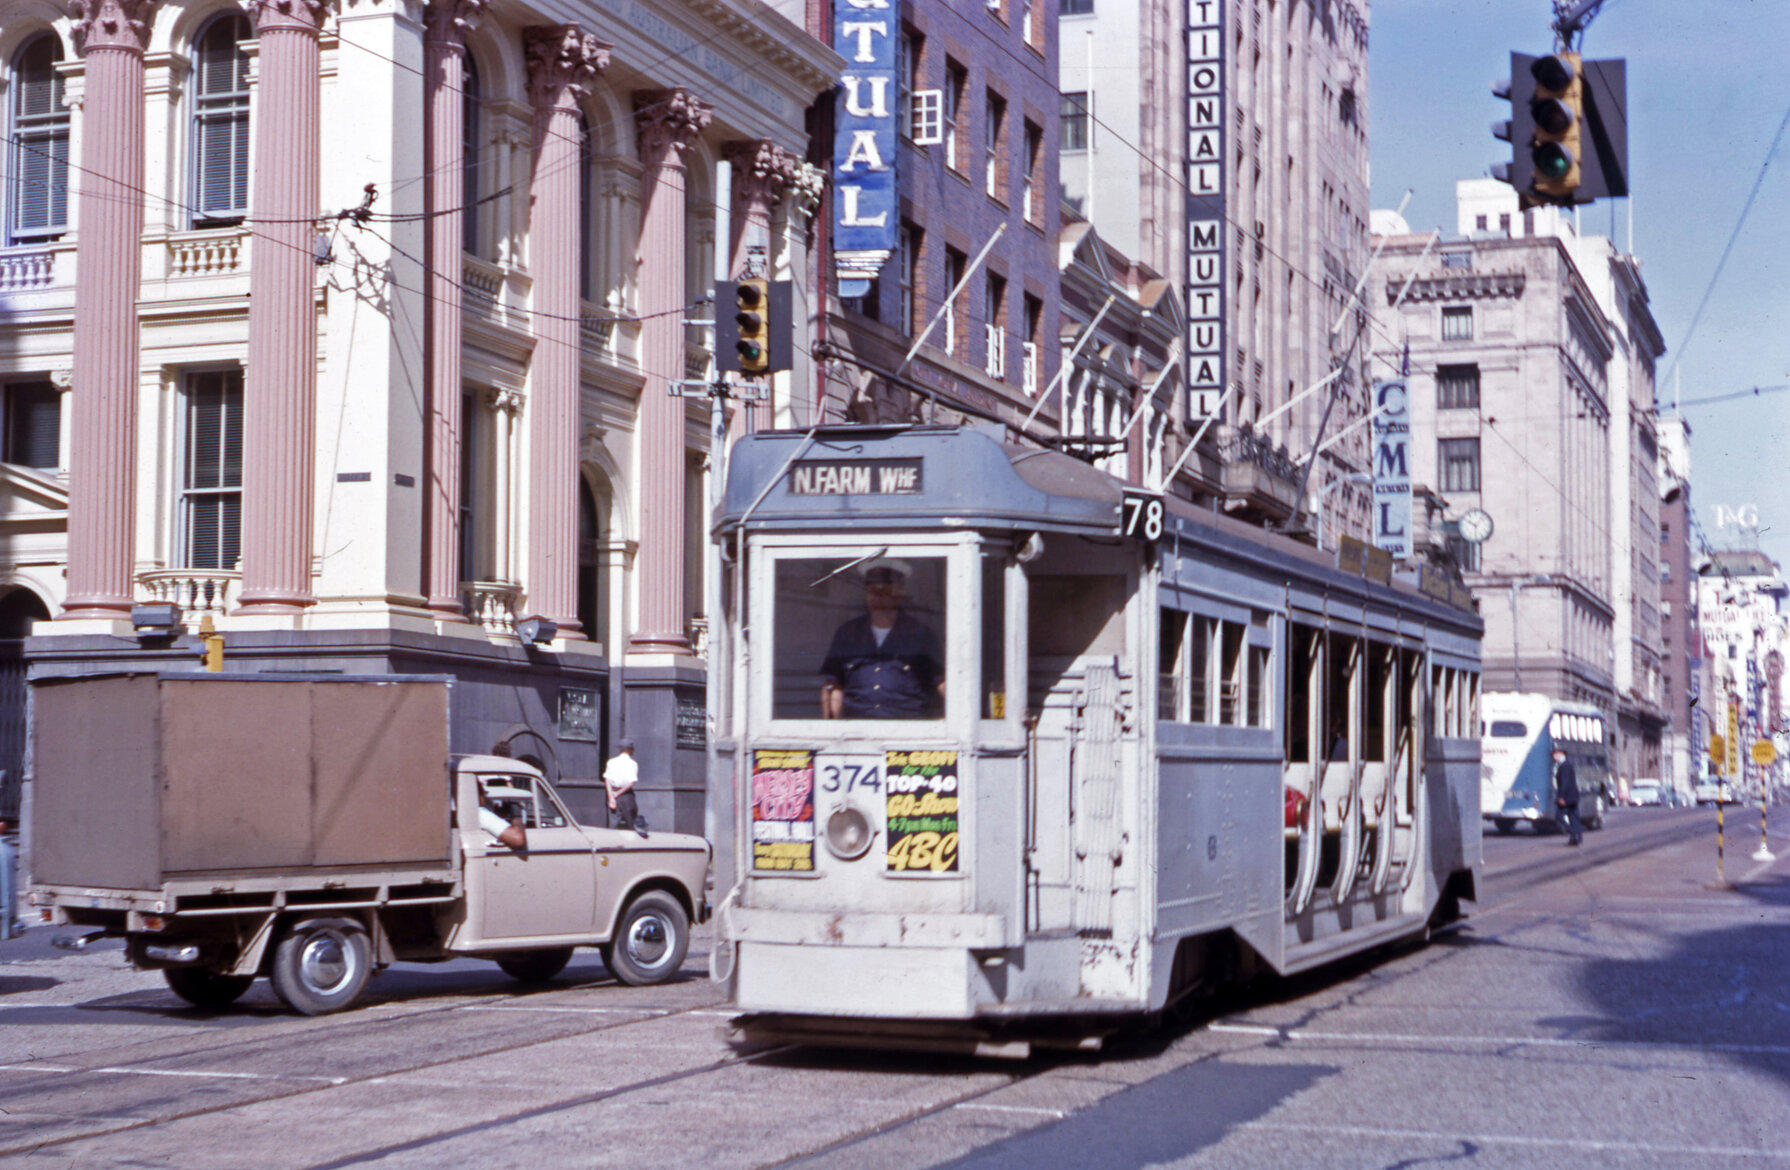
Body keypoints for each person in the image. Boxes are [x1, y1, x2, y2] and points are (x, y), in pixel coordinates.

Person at [819, 560, 944, 719]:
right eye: (872, 591)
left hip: (908, 729)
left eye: (885, 590)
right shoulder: (847, 633)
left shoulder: (921, 634)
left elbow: (942, 681)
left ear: (898, 592)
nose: (878, 596)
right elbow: (832, 685)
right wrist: (831, 728)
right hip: (857, 727)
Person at [605, 738, 648, 837]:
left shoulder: (611, 762)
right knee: (631, 823)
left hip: (613, 792)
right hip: (626, 795)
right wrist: (618, 794)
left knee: (613, 823)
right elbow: (631, 782)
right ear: (630, 749)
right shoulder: (633, 764)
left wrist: (611, 797)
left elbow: (607, 779)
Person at [477, 782, 528, 850]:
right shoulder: (481, 814)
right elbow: (518, 839)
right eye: (482, 793)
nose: (485, 797)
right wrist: (517, 815)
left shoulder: (474, 813)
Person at [1553, 747, 1582, 846]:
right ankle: (1576, 839)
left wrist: (1561, 797)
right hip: (1573, 797)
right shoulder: (1567, 765)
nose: (1554, 756)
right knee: (1574, 817)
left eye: (1555, 754)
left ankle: (1573, 832)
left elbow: (1564, 783)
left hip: (1566, 797)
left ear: (1560, 754)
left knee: (1559, 817)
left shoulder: (1564, 766)